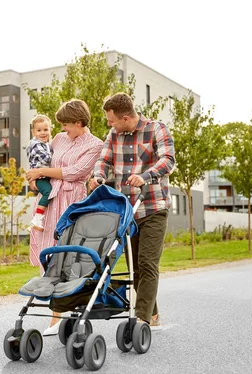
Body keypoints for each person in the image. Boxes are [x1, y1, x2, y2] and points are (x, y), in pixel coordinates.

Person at [88, 92, 175, 331]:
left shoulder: (157, 129)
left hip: (153, 207)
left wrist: (146, 176)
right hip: (126, 211)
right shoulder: (113, 135)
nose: (109, 124)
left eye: (111, 120)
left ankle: (142, 319)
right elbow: (103, 161)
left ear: (125, 118)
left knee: (147, 263)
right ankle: (153, 312)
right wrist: (98, 176)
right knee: (135, 266)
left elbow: (168, 160)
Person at [26, 99, 103, 336]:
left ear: (79, 122)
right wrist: (35, 179)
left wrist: (41, 172)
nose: (62, 129)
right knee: (47, 251)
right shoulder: (58, 139)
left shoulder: (95, 144)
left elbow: (75, 172)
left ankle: (67, 313)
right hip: (51, 201)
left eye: (66, 124)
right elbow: (44, 161)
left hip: (71, 201)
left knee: (68, 253)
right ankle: (55, 316)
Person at [25, 115, 53, 232]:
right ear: (33, 132)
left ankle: (39, 218)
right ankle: (37, 218)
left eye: (45, 130)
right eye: (39, 130)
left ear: (50, 130)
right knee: (49, 192)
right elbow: (46, 159)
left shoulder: (46, 144)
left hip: (43, 176)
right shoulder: (36, 144)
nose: (43, 133)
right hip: (40, 177)